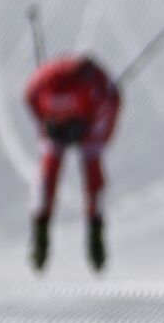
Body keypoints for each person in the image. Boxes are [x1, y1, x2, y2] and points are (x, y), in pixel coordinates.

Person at [23, 56, 121, 272]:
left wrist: (89, 131)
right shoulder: (39, 87)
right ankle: (40, 233)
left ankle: (96, 236)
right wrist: (49, 126)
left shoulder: (97, 91)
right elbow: (31, 101)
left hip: (91, 123)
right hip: (59, 118)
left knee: (92, 169)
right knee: (49, 168)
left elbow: (110, 109)